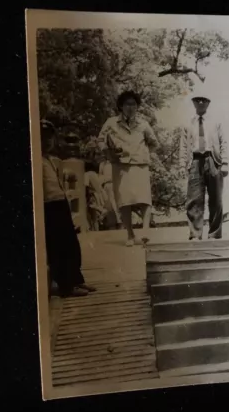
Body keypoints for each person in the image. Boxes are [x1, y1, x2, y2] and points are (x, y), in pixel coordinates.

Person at [40, 120, 95, 297]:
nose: (46, 141)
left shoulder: (51, 159)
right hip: (47, 204)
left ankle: (77, 279)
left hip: (59, 200)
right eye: (42, 137)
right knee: (58, 246)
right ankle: (66, 286)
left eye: (49, 137)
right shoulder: (35, 159)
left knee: (71, 243)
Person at [97, 90, 158, 247]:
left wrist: (144, 153)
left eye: (133, 104)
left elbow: (154, 143)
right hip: (121, 165)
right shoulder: (111, 123)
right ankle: (130, 234)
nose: (130, 107)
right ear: (121, 106)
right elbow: (101, 140)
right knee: (124, 201)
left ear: (137, 107)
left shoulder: (143, 124)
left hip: (140, 165)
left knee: (144, 198)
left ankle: (145, 230)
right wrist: (108, 153)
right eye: (127, 104)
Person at [179, 93, 228, 240]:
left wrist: (225, 163)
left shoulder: (216, 123)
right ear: (193, 103)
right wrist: (182, 165)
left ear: (208, 103)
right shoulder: (188, 123)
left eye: (204, 100)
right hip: (194, 161)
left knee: (216, 198)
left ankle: (214, 234)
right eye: (197, 100)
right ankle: (195, 234)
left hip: (213, 160)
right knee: (194, 199)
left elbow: (223, 142)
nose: (200, 102)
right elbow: (183, 146)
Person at [98, 156, 123, 229]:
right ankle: (106, 221)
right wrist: (100, 186)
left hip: (113, 184)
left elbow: (120, 173)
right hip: (105, 185)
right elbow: (100, 175)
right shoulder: (102, 164)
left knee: (114, 202)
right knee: (107, 203)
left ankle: (119, 221)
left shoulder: (115, 162)